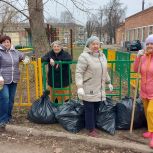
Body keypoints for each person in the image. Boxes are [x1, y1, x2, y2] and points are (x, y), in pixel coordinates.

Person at [75, 36, 113, 137]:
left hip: (99, 87)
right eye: (93, 44)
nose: (96, 46)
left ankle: (92, 125)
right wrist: (79, 86)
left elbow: (104, 70)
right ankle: (91, 129)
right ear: (89, 45)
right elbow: (79, 72)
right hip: (88, 87)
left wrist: (108, 82)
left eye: (97, 44)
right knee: (89, 109)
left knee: (96, 108)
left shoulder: (102, 55)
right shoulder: (84, 56)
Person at [0, 35, 30, 131]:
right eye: (4, 42)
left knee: (11, 99)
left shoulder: (15, 52)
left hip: (14, 79)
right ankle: (2, 120)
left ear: (10, 42)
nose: (6, 43)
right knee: (5, 98)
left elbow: (24, 56)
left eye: (8, 42)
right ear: (1, 43)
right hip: (2, 80)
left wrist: (26, 60)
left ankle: (8, 117)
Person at [134, 34, 153, 148]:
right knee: (147, 112)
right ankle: (150, 130)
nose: (150, 45)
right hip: (145, 91)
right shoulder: (143, 57)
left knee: (152, 111)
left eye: (152, 44)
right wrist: (138, 57)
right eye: (148, 44)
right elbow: (136, 70)